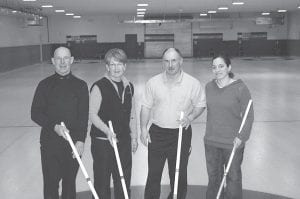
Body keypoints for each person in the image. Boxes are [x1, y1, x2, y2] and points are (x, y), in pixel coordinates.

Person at [140, 47, 206, 199]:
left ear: (181, 61)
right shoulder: (153, 82)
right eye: (167, 61)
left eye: (174, 60)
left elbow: (200, 104)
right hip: (157, 132)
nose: (170, 65)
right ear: (162, 63)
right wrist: (143, 129)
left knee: (178, 175)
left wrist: (190, 117)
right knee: (153, 174)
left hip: (181, 133)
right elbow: (145, 107)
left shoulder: (192, 83)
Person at [31, 46, 89, 199]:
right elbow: (35, 113)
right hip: (50, 144)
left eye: (66, 58)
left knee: (70, 184)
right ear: (53, 61)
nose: (62, 62)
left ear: (71, 60)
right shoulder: (44, 85)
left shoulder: (81, 86)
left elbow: (83, 116)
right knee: (51, 184)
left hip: (73, 145)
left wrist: (81, 141)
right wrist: (54, 126)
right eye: (58, 59)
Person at [89, 48, 138, 199]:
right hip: (103, 142)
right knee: (102, 183)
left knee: (123, 181)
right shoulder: (99, 86)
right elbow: (92, 115)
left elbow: (132, 114)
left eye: (119, 64)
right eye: (112, 64)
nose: (116, 68)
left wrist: (134, 137)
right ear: (107, 67)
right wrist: (107, 131)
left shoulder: (129, 86)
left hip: (123, 141)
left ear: (125, 66)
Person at [204, 53, 254, 199]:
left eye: (221, 66)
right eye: (214, 67)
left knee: (233, 180)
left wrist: (242, 137)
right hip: (211, 142)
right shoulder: (209, 87)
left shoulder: (240, 88)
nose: (217, 70)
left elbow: (248, 115)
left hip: (232, 143)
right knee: (214, 180)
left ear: (228, 67)